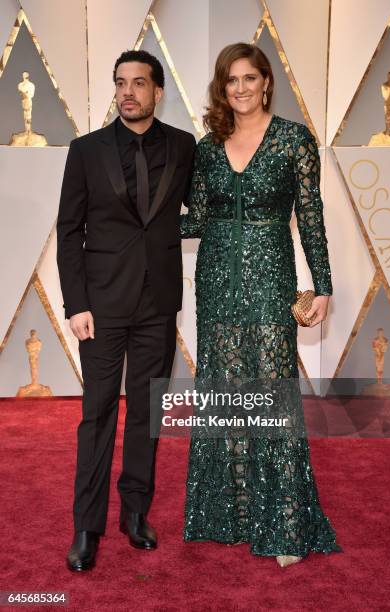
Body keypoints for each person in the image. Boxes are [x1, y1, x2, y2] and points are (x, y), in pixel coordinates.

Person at [180, 43, 342, 567]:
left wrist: (323, 285)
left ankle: (284, 522)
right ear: (222, 87)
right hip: (216, 279)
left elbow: (311, 217)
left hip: (271, 277)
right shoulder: (208, 147)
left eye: (250, 78)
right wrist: (134, 220)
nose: (241, 88)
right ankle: (229, 513)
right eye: (231, 80)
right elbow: (196, 219)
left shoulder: (296, 141)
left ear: (266, 81)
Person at [57, 49, 196, 571]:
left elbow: (200, 209)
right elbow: (70, 231)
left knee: (147, 413)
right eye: (121, 83)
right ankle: (86, 528)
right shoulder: (86, 150)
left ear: (158, 91)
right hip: (101, 306)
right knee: (96, 416)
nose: (128, 92)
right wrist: (76, 304)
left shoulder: (184, 147)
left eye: (139, 83)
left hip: (158, 303)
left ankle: (135, 514)